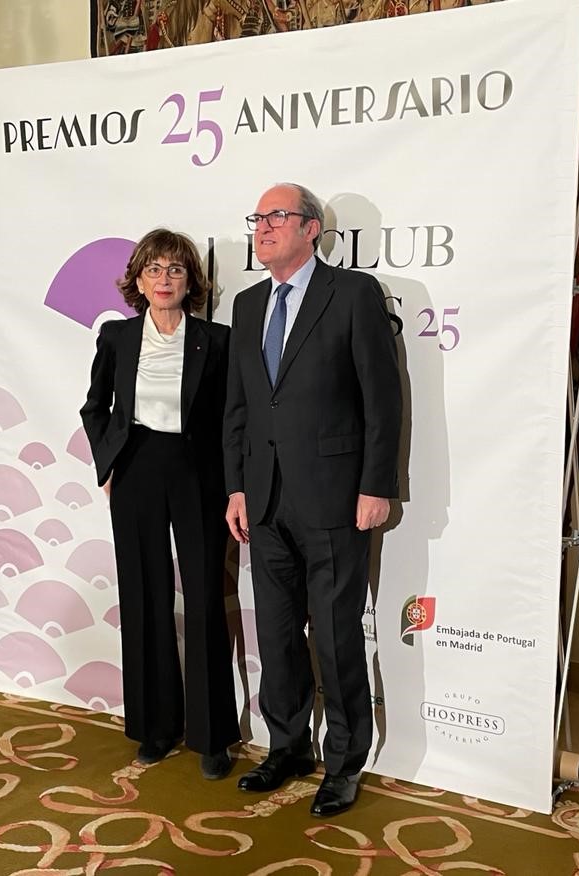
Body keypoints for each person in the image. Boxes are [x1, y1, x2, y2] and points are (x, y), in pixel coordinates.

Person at [223, 183, 401, 817]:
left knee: (333, 635)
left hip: (334, 499)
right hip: (264, 501)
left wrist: (377, 485)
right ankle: (288, 746)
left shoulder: (352, 294)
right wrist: (237, 486)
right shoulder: (246, 306)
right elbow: (239, 407)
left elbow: (383, 399)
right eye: (258, 217)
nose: (263, 227)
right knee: (275, 635)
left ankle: (345, 759)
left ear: (311, 229)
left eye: (277, 217)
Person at [80, 228, 240, 780]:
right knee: (145, 598)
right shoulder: (118, 338)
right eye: (154, 269)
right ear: (139, 280)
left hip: (199, 471)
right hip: (137, 469)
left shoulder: (217, 341)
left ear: (190, 279)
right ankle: (155, 726)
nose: (165, 279)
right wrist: (110, 462)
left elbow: (230, 420)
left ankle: (213, 736)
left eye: (175, 269)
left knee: (201, 599)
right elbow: (94, 407)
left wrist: (234, 483)